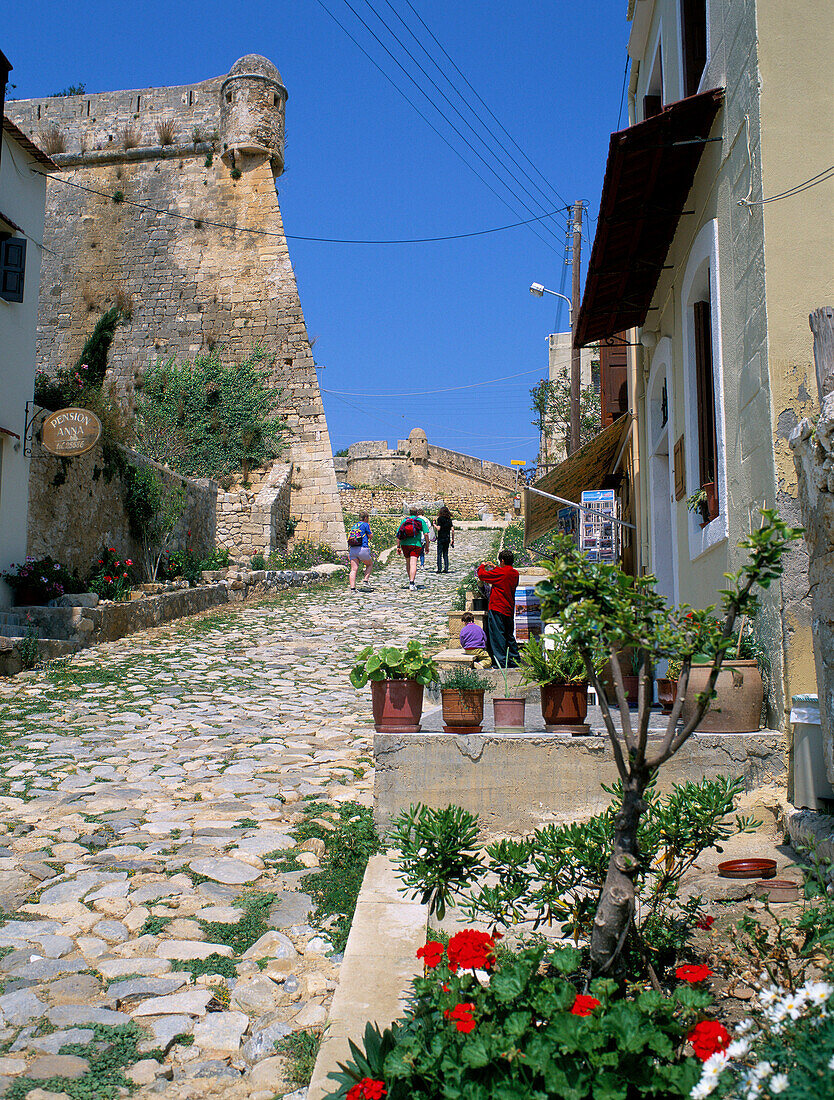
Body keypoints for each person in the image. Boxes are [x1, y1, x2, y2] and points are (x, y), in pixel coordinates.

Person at [477, 550, 520, 668]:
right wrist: (495, 567)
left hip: (497, 608)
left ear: (502, 561)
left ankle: (501, 662)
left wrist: (482, 565)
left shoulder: (500, 573)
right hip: (509, 608)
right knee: (509, 635)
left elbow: (482, 575)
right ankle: (514, 660)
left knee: (497, 636)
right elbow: (503, 574)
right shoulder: (515, 573)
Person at [397, 507, 424, 591]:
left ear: (409, 513)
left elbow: (398, 533)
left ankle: (410, 580)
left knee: (408, 562)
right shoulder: (420, 520)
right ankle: (412, 582)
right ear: (416, 513)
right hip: (416, 544)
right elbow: (426, 534)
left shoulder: (405, 520)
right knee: (414, 563)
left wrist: (398, 546)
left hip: (405, 544)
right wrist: (427, 546)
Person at [347, 512, 373, 592]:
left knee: (353, 569)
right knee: (369, 564)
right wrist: (369, 528)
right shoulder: (365, 525)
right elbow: (370, 536)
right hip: (362, 549)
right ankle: (365, 580)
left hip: (353, 549)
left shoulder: (354, 526)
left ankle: (352, 588)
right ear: (365, 518)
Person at [433, 505, 454, 573]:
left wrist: (434, 525)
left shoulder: (440, 519)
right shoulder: (449, 519)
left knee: (439, 554)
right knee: (445, 554)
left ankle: (439, 569)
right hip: (447, 538)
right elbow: (452, 530)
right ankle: (446, 568)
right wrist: (452, 539)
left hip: (441, 538)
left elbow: (438, 528)